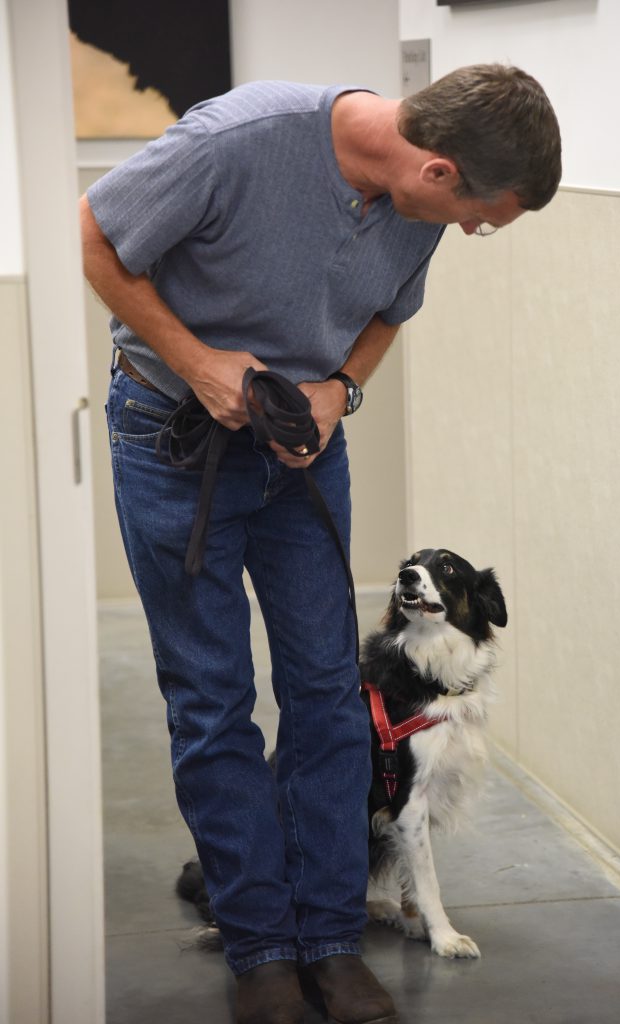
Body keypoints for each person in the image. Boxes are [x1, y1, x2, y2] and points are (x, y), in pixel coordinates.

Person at [80, 63, 561, 1024]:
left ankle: (331, 938)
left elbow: (385, 314)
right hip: (171, 437)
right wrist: (202, 364)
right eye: (477, 216)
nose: (468, 233)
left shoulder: (416, 210)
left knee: (330, 697)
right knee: (213, 700)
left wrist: (340, 389)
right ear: (435, 169)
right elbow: (96, 240)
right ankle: (260, 949)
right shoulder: (239, 141)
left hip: (299, 450)